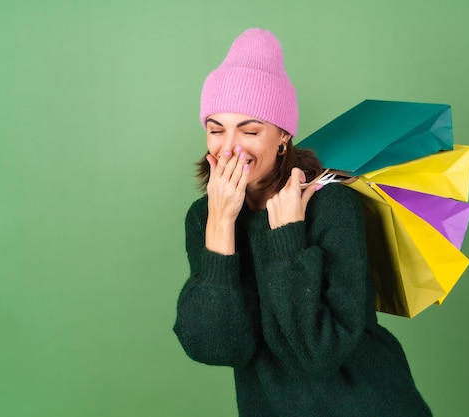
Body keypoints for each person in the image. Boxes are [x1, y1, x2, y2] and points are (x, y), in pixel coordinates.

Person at [173, 28, 432, 417]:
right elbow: (220, 347)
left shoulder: (331, 206)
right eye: (216, 129)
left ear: (282, 136)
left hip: (369, 403)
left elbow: (316, 355)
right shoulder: (204, 219)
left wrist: (288, 240)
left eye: (250, 130)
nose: (230, 147)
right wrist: (220, 227)